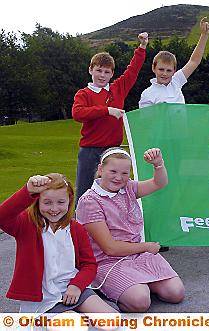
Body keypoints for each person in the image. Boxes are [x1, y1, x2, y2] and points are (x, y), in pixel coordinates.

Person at [76, 147, 184, 312]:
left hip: (137, 255)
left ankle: (138, 283)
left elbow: (159, 183)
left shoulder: (128, 188)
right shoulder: (89, 201)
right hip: (107, 261)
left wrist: (158, 165)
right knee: (140, 301)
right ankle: (118, 292)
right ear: (100, 169)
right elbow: (110, 248)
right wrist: (146, 247)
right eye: (113, 171)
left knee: (176, 293)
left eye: (125, 173)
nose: (119, 177)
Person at [0, 174, 117, 314]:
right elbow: (3, 216)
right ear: (37, 201)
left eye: (61, 202)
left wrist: (77, 286)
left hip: (73, 289)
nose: (54, 209)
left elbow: (89, 265)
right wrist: (28, 190)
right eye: (47, 202)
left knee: (111, 319)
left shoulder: (76, 228)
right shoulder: (26, 224)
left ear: (69, 201)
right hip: (43, 299)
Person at [72, 32, 149, 205]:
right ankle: (81, 230)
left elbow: (133, 70)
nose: (102, 75)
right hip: (90, 151)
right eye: (98, 70)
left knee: (115, 192)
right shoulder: (83, 94)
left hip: (113, 150)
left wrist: (142, 47)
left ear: (112, 74)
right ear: (90, 70)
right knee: (85, 192)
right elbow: (78, 113)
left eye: (106, 72)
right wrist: (106, 110)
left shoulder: (118, 89)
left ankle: (113, 225)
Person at [139, 18, 209, 108]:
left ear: (174, 71)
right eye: (161, 69)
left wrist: (204, 35)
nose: (164, 74)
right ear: (154, 68)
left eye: (169, 70)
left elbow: (194, 61)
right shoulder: (147, 94)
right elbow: (146, 120)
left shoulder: (176, 80)